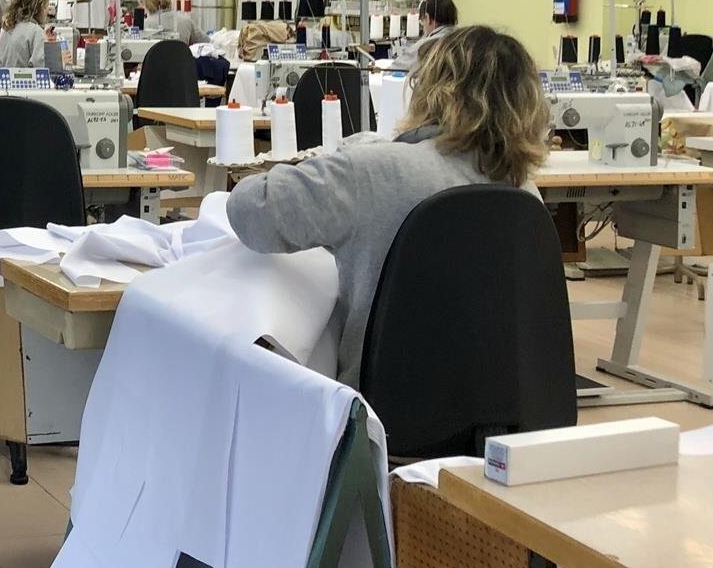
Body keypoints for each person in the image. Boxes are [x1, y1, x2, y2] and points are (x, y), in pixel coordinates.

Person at [227, 26, 549, 388]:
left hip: (386, 401)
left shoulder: (373, 169)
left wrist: (328, 164)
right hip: (506, 399)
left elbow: (248, 212)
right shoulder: (525, 192)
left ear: (432, 89)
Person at [0, 0, 50, 69]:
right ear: (42, 7)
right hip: (27, 78)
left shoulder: (7, 28)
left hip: (6, 77)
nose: (48, 11)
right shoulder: (36, 32)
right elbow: (39, 67)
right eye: (47, 6)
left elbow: (0, 60)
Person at [140, 0, 205, 44]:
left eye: (142, 2)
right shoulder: (186, 21)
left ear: (147, 2)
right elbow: (206, 42)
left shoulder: (145, 25)